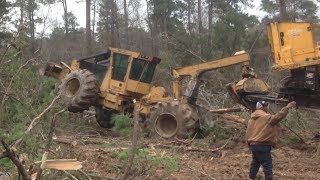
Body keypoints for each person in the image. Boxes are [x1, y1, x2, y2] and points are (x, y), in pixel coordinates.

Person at [246, 100, 296, 180]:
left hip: (253, 145)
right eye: (266, 106)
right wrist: (287, 107)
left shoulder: (251, 119)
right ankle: (268, 178)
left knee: (255, 162)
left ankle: (252, 177)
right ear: (262, 107)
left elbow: (248, 133)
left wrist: (249, 145)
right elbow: (278, 117)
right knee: (267, 164)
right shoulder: (266, 117)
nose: (267, 107)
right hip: (263, 145)